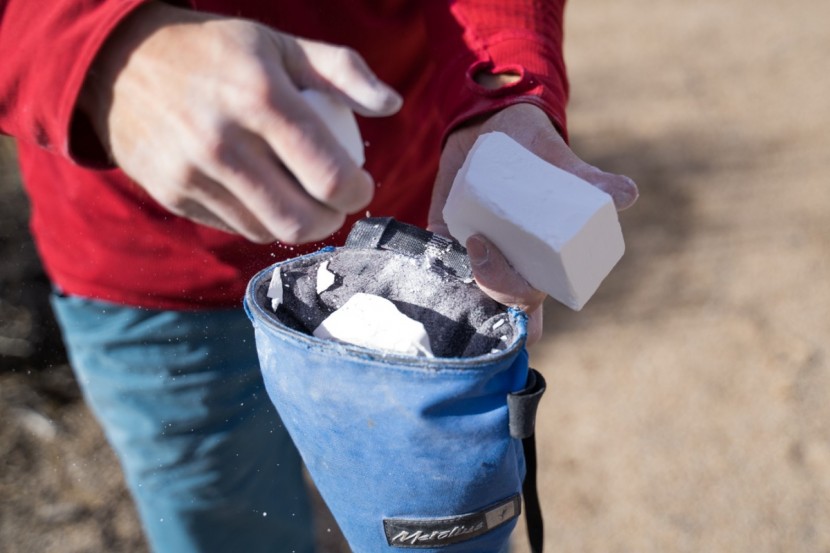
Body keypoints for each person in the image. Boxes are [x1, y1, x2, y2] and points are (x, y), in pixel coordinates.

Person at [0, 1, 638, 551]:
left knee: (442, 537)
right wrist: (103, 51)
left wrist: (497, 87)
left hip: (411, 249)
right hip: (148, 273)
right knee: (229, 533)